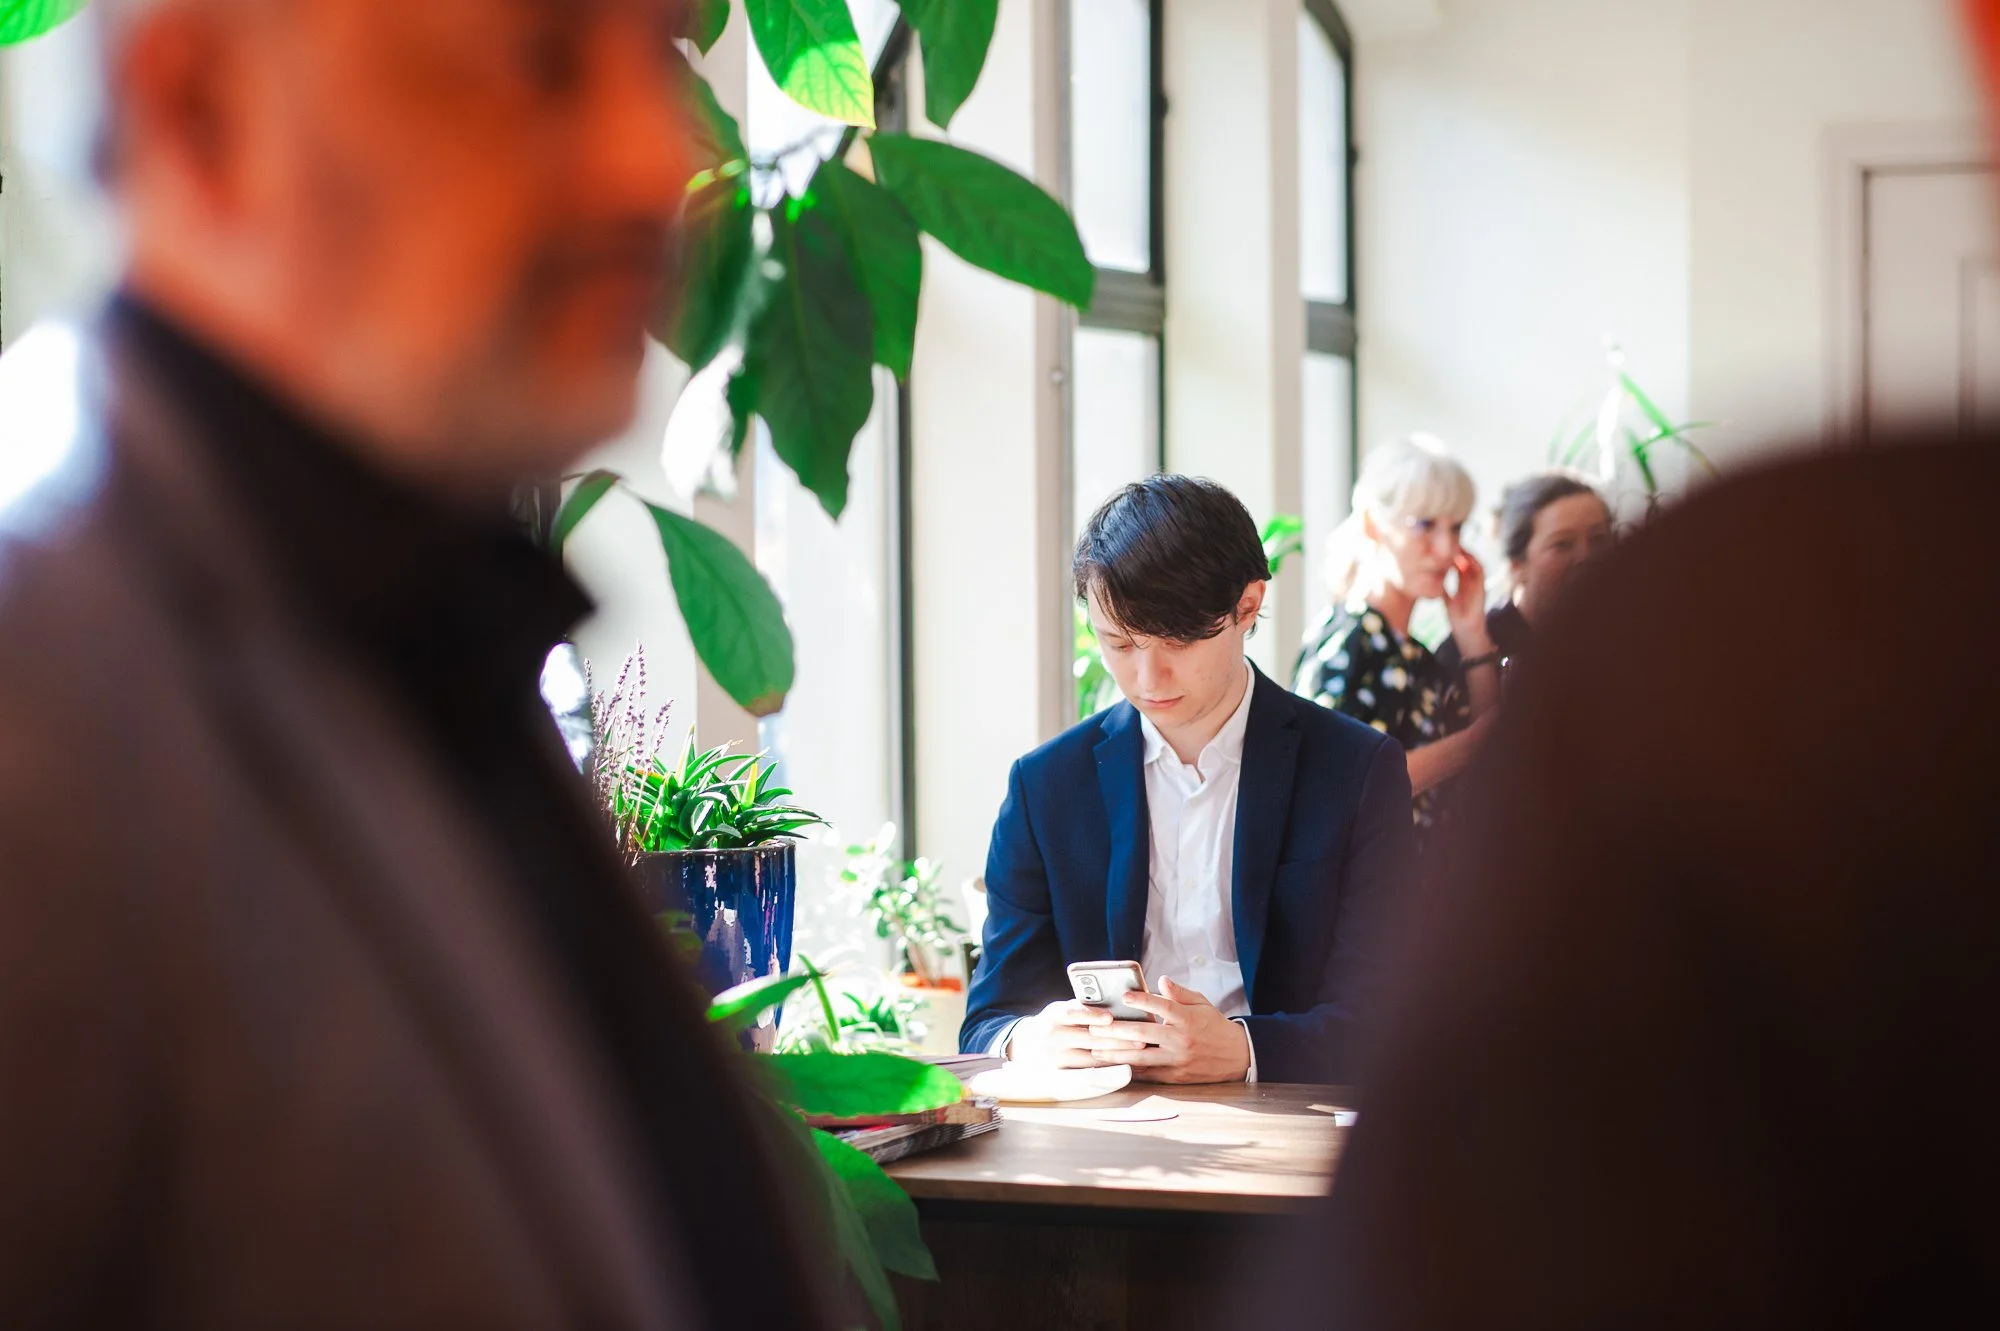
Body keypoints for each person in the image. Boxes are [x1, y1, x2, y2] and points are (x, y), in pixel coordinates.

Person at [0, 1, 825, 1327]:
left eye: (655, 54)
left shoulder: (409, 616)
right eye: (538, 61)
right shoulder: (39, 694)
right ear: (198, 108)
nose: (656, 166)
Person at [960, 476, 1416, 1086]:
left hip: (1284, 1119)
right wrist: (1028, 1039)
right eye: (1118, 643)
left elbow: (1386, 1019)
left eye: (1176, 639)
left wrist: (1245, 1049)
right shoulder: (1046, 786)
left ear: (1247, 606)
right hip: (1098, 1134)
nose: (1148, 677)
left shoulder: (1354, 770)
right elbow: (988, 1020)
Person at [1292, 434, 1499, 849]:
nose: (1445, 549)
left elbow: (1493, 759)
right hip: (1367, 907)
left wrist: (1472, 633)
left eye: (1456, 527)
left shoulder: (1414, 653)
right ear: (1373, 525)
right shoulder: (1347, 637)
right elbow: (1333, 789)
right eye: (1424, 525)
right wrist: (1470, 745)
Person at [1436, 469, 1613, 680]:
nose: (1585, 557)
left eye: (1598, 539)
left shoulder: (1622, 631)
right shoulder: (1468, 651)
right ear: (1517, 566)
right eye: (1562, 544)